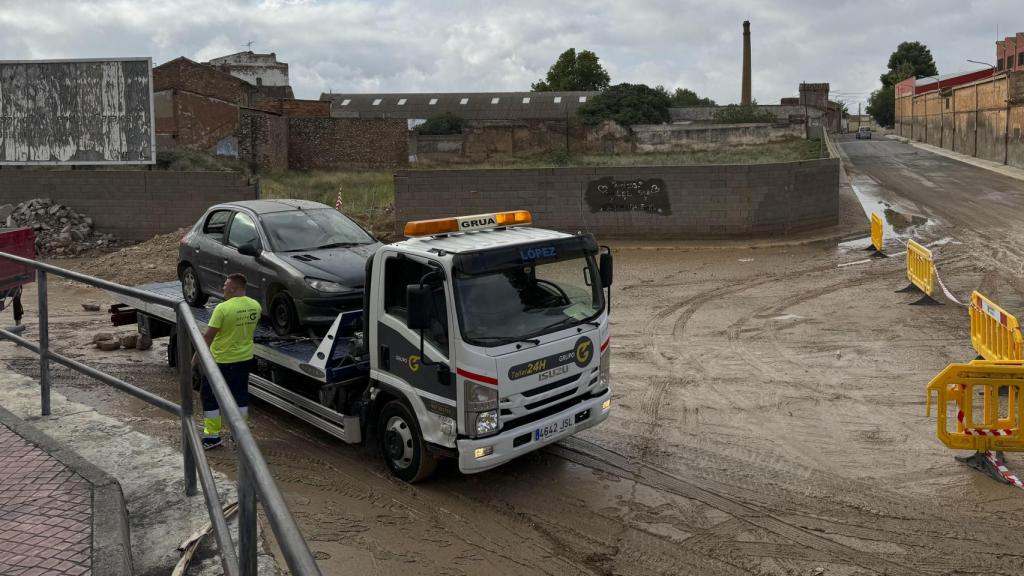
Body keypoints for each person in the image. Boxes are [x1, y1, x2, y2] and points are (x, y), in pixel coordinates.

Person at [192, 273, 261, 449]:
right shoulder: (255, 306)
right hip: (244, 359)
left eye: (225, 285)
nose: (223, 288)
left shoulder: (222, 309)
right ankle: (240, 437)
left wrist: (196, 358)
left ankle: (212, 437)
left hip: (221, 360)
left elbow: (208, 336)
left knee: (210, 397)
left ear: (232, 288)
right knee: (240, 396)